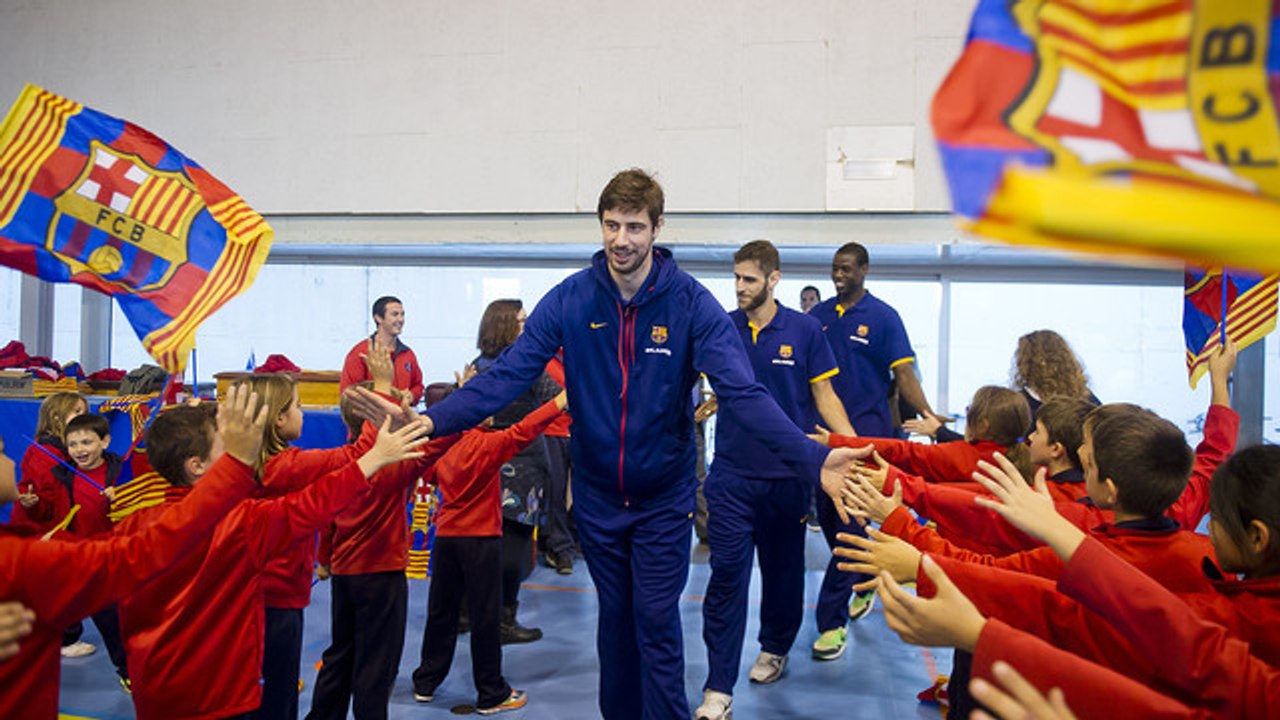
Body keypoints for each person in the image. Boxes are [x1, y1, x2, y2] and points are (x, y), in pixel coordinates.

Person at [351, 168, 866, 720]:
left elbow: (744, 393)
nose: (622, 240)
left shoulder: (692, 307)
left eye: (635, 227)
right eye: (612, 225)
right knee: (615, 624)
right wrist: (432, 420)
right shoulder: (572, 299)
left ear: (658, 227)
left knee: (655, 620)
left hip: (663, 500)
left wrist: (814, 459)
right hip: (598, 498)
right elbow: (506, 377)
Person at [116, 392, 434, 720]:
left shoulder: (130, 529)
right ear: (197, 466)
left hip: (155, 693)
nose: (240, 451)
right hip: (221, 696)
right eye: (227, 445)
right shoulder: (238, 523)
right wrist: (374, 458)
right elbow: (314, 503)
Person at [0, 385, 272, 720]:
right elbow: (148, 549)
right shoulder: (15, 559)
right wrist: (236, 467)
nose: (10, 460)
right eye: (0, 452)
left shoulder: (20, 552)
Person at [695, 240, 854, 720]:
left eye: (749, 279)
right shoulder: (723, 326)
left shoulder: (805, 330)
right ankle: (717, 688)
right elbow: (730, 385)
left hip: (786, 478)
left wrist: (855, 447)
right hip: (731, 477)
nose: (740, 288)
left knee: (784, 575)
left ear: (773, 278)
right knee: (726, 579)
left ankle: (774, 646)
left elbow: (822, 394)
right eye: (736, 278)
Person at [807, 241, 937, 657]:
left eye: (846, 267)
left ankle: (831, 623)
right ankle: (864, 579)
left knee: (851, 530)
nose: (838, 274)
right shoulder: (819, 317)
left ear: (864, 269)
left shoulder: (884, 318)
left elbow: (905, 374)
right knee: (832, 523)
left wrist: (930, 417)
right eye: (834, 267)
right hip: (822, 443)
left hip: (867, 444)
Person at [411, 389, 567, 715]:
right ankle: (491, 692)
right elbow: (526, 428)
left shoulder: (442, 447)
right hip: (480, 541)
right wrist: (559, 403)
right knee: (485, 618)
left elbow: (428, 475)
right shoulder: (488, 445)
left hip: (447, 540)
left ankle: (426, 682)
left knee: (441, 613)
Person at [471, 298, 557, 641]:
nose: (527, 328)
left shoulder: (479, 366)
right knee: (514, 550)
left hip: (488, 463)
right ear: (507, 326)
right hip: (522, 466)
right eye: (521, 322)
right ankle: (505, 619)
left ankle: (470, 613)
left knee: (485, 545)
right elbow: (558, 398)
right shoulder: (527, 366)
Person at [341, 295, 424, 406]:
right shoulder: (359, 353)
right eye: (395, 314)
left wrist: (411, 395)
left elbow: (418, 385)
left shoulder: (408, 354)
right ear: (378, 318)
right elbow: (348, 395)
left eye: (402, 314)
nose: (401, 319)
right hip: (372, 420)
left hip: (402, 419)